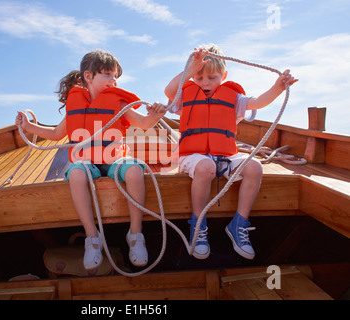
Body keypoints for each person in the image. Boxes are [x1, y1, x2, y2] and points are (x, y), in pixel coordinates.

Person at [16, 50, 166, 271]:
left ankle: (135, 234)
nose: (113, 80)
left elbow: (144, 123)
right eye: (107, 74)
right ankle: (92, 238)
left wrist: (156, 114)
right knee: (76, 173)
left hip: (115, 159)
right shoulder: (76, 103)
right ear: (88, 76)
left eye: (115, 76)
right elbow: (58, 133)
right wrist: (28, 127)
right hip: (86, 161)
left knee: (134, 170)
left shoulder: (119, 102)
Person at [165, 44, 297, 260]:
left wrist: (278, 88)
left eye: (212, 77)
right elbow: (169, 91)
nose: (205, 82)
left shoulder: (233, 97)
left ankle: (238, 224)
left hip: (226, 156)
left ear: (224, 75)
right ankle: (198, 225)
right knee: (206, 167)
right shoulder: (184, 94)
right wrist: (191, 69)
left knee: (254, 167)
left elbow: (258, 102)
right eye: (199, 78)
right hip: (193, 157)